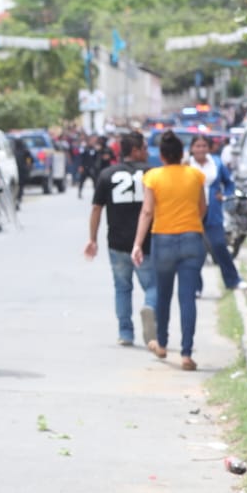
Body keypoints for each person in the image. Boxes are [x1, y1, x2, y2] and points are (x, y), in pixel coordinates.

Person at [132, 130, 206, 371]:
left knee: (163, 295)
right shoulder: (195, 175)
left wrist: (137, 244)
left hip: (162, 239)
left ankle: (162, 344)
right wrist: (190, 224)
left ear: (161, 156)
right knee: (188, 298)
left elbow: (147, 212)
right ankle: (186, 353)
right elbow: (202, 208)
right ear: (182, 153)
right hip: (192, 239)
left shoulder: (153, 177)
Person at [84, 131, 158, 346]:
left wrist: (92, 239)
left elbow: (97, 208)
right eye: (144, 148)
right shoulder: (152, 174)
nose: (147, 152)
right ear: (134, 151)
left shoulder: (107, 175)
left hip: (116, 242)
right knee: (154, 285)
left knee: (122, 288)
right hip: (145, 242)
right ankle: (150, 308)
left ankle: (125, 332)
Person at [187, 134, 247, 292]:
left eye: (203, 146)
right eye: (197, 146)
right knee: (195, 250)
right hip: (192, 211)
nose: (200, 149)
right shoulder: (187, 164)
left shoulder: (216, 163)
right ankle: (195, 286)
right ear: (192, 148)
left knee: (219, 245)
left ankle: (233, 280)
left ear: (209, 148)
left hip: (213, 210)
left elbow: (228, 183)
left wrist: (225, 195)